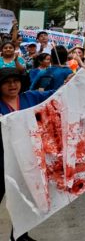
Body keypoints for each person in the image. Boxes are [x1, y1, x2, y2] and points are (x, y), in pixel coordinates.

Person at [0, 68, 55, 241]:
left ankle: (20, 235)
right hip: (2, 160)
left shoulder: (31, 97)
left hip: (27, 160)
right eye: (7, 82)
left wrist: (72, 81)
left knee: (24, 199)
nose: (12, 85)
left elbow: (57, 96)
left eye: (15, 81)